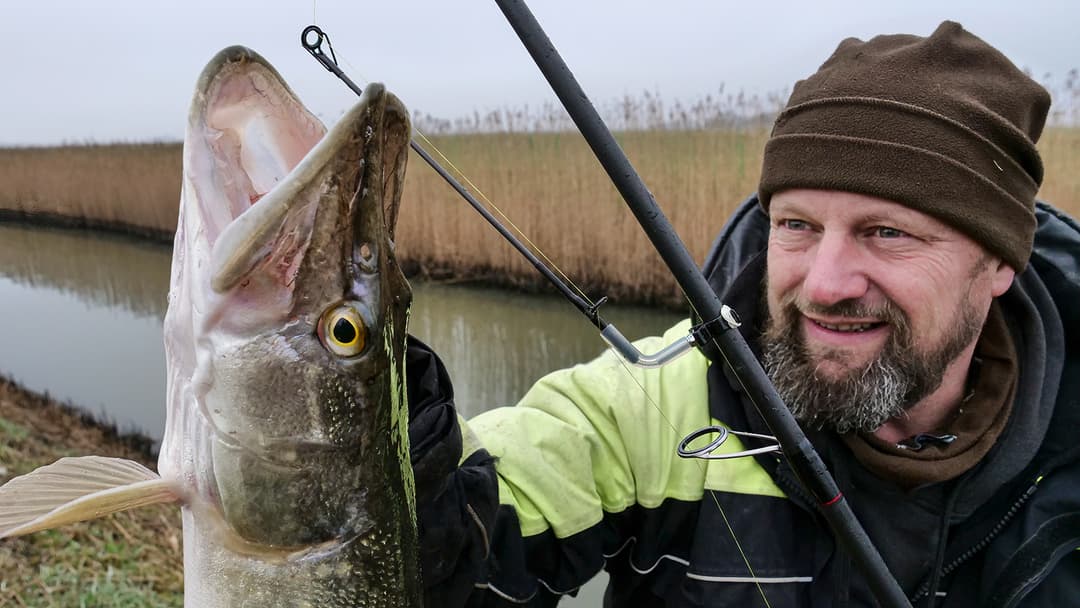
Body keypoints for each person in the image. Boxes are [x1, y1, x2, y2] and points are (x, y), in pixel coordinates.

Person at [404, 20, 1080, 607]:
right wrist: (361, 397)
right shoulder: (659, 402)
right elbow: (450, 545)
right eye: (797, 225)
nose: (825, 284)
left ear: (998, 264)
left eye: (887, 233)